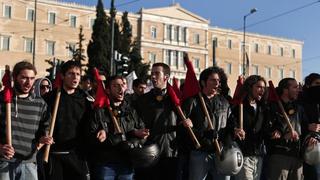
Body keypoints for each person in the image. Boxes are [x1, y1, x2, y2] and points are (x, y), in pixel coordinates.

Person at [136, 63, 191, 180]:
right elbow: (137, 122)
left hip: (172, 153)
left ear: (166, 77)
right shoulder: (143, 100)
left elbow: (185, 121)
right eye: (152, 74)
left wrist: (189, 123)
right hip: (149, 153)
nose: (153, 77)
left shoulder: (177, 100)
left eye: (157, 73)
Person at [88, 75, 149, 180]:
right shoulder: (99, 111)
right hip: (106, 164)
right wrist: (102, 137)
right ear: (108, 90)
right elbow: (90, 137)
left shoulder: (131, 110)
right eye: (115, 86)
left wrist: (134, 141)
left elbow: (142, 132)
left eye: (122, 85)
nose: (120, 89)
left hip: (127, 163)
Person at [0, 61, 53, 180]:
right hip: (3, 162)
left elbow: (45, 128)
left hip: (29, 163)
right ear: (15, 77)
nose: (29, 82)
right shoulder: (2, 99)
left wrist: (43, 138)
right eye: (24, 78)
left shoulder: (40, 103)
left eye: (32, 78)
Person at [181, 66, 232, 180]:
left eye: (218, 81)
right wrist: (203, 134)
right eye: (213, 80)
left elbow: (230, 125)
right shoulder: (192, 102)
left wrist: (226, 143)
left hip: (220, 152)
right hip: (199, 153)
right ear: (203, 82)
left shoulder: (224, 102)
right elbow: (183, 128)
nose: (217, 83)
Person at [44, 61, 92, 180]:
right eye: (71, 73)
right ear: (62, 76)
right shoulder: (49, 98)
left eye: (78, 74)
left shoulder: (86, 100)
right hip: (54, 154)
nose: (75, 77)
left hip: (77, 155)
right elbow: (41, 123)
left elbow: (92, 124)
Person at [266, 78, 308, 180]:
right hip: (280, 155)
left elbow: (305, 129)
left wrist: (312, 135)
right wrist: (282, 135)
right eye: (295, 87)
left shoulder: (299, 108)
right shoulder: (272, 107)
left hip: (297, 156)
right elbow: (266, 130)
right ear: (285, 90)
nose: (298, 90)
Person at [233, 75, 268, 180]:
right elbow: (229, 124)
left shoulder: (263, 108)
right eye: (259, 87)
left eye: (264, 88)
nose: (262, 90)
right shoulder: (238, 106)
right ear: (250, 87)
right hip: (243, 154)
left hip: (258, 154)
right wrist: (235, 129)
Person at [300, 73, 320, 180]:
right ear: (308, 85)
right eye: (316, 83)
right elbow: (294, 123)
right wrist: (307, 127)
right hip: (309, 149)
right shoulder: (300, 102)